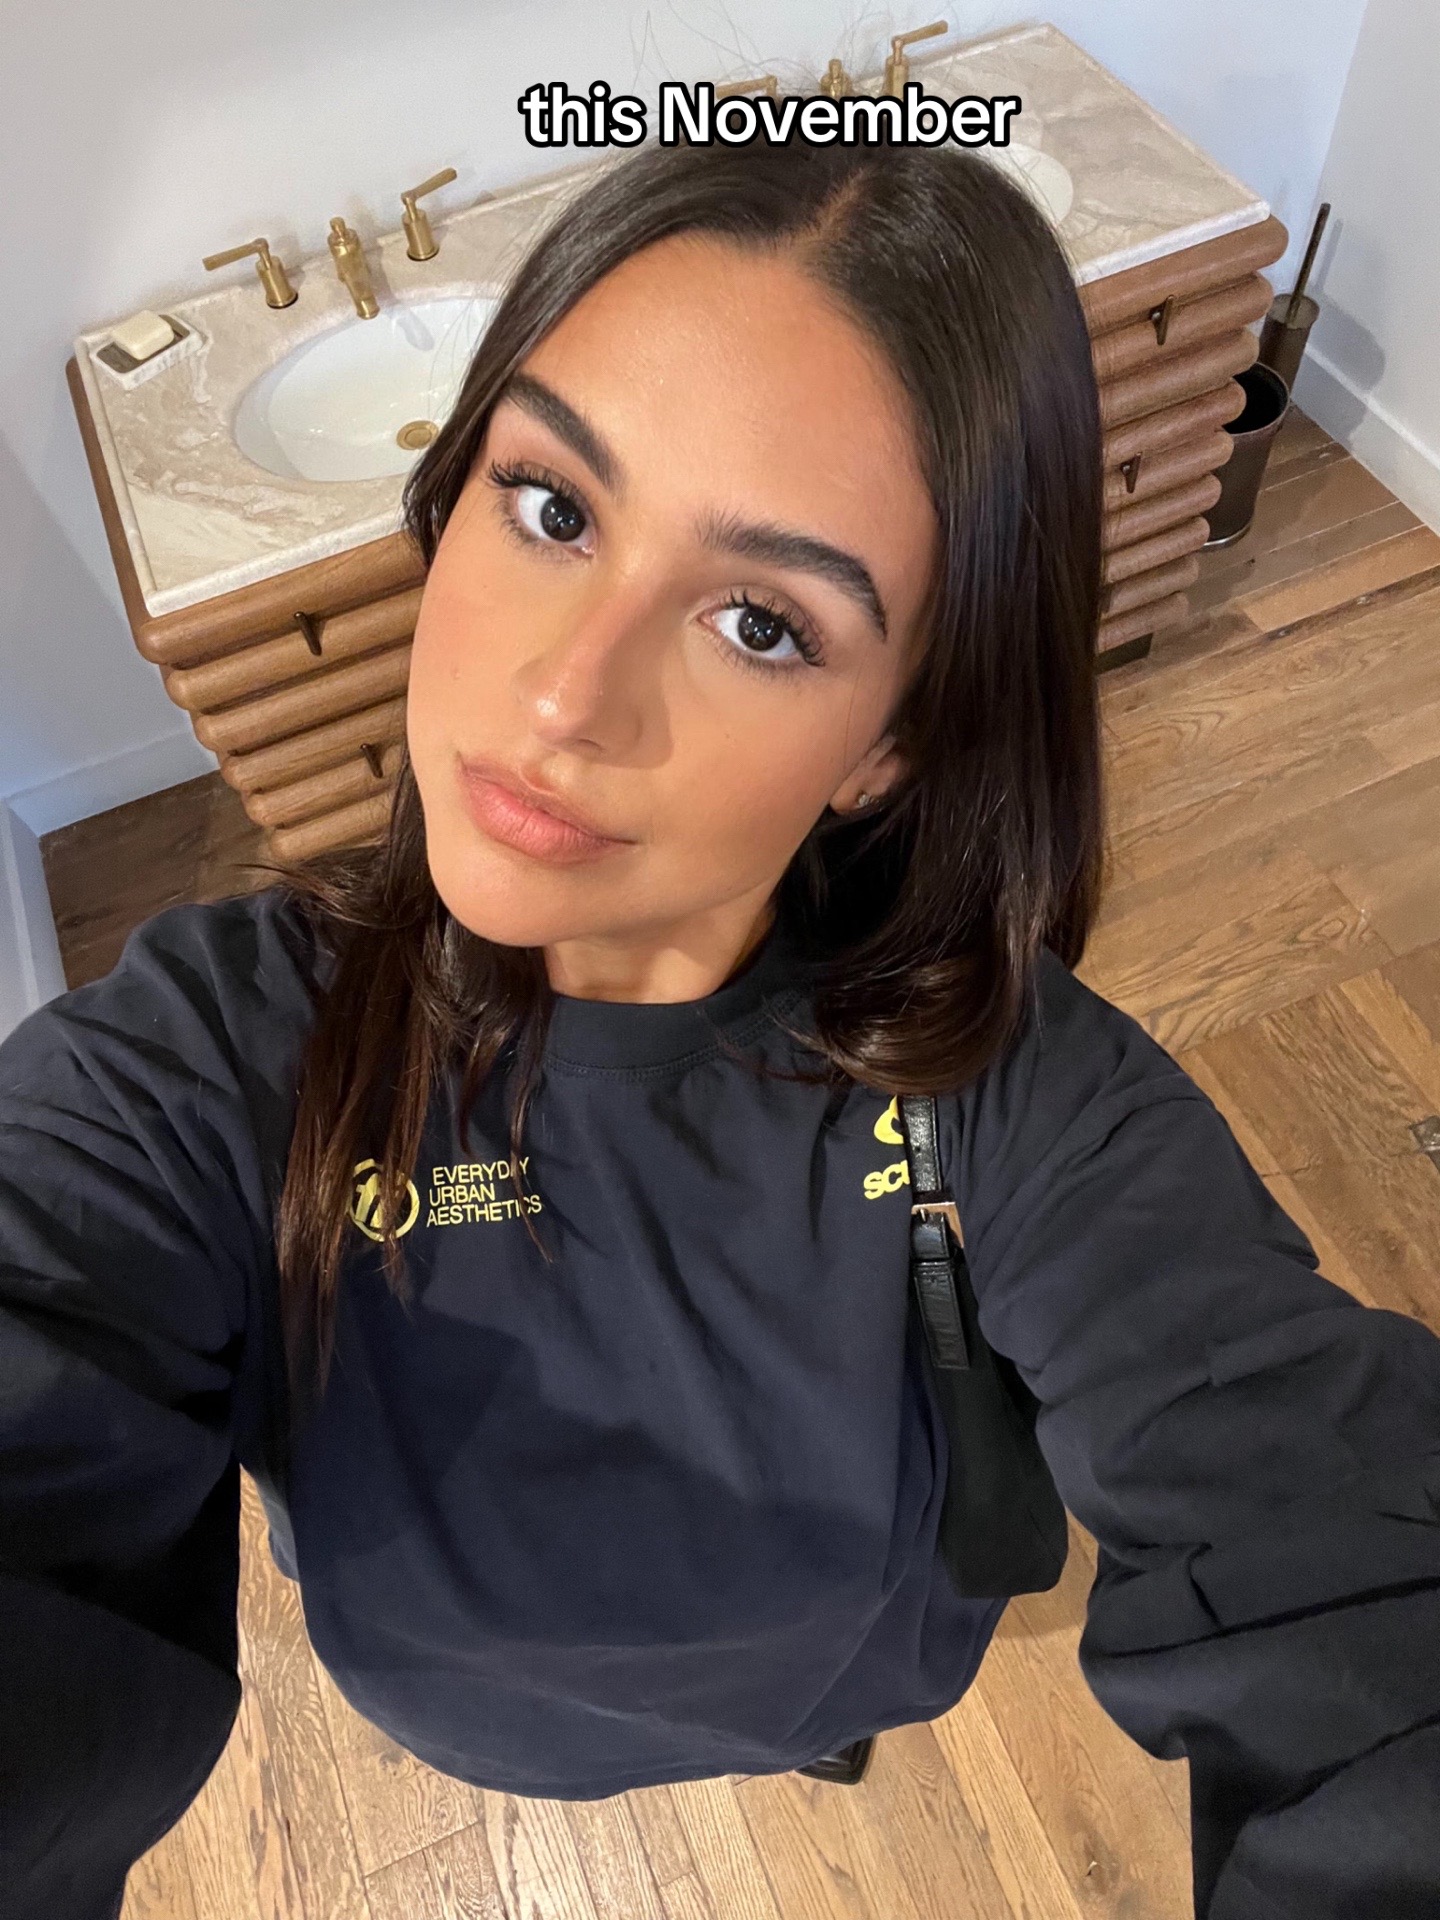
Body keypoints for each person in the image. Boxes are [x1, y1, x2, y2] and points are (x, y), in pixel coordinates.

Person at [3, 131, 1439, 1920]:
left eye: (760, 620)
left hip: (850, 1677)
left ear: (891, 741)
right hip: (460, 1715)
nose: (563, 695)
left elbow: (1331, 1534)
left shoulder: (1014, 1088)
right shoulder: (207, 1065)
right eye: (552, 508)